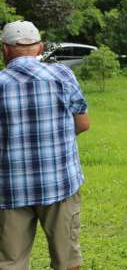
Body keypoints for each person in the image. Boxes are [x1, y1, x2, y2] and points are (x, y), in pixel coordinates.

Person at [0, 21, 90, 270]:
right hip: (60, 183)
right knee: (67, 260)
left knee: (10, 262)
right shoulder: (62, 75)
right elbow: (83, 123)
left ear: (5, 50)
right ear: (39, 47)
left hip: (10, 188)